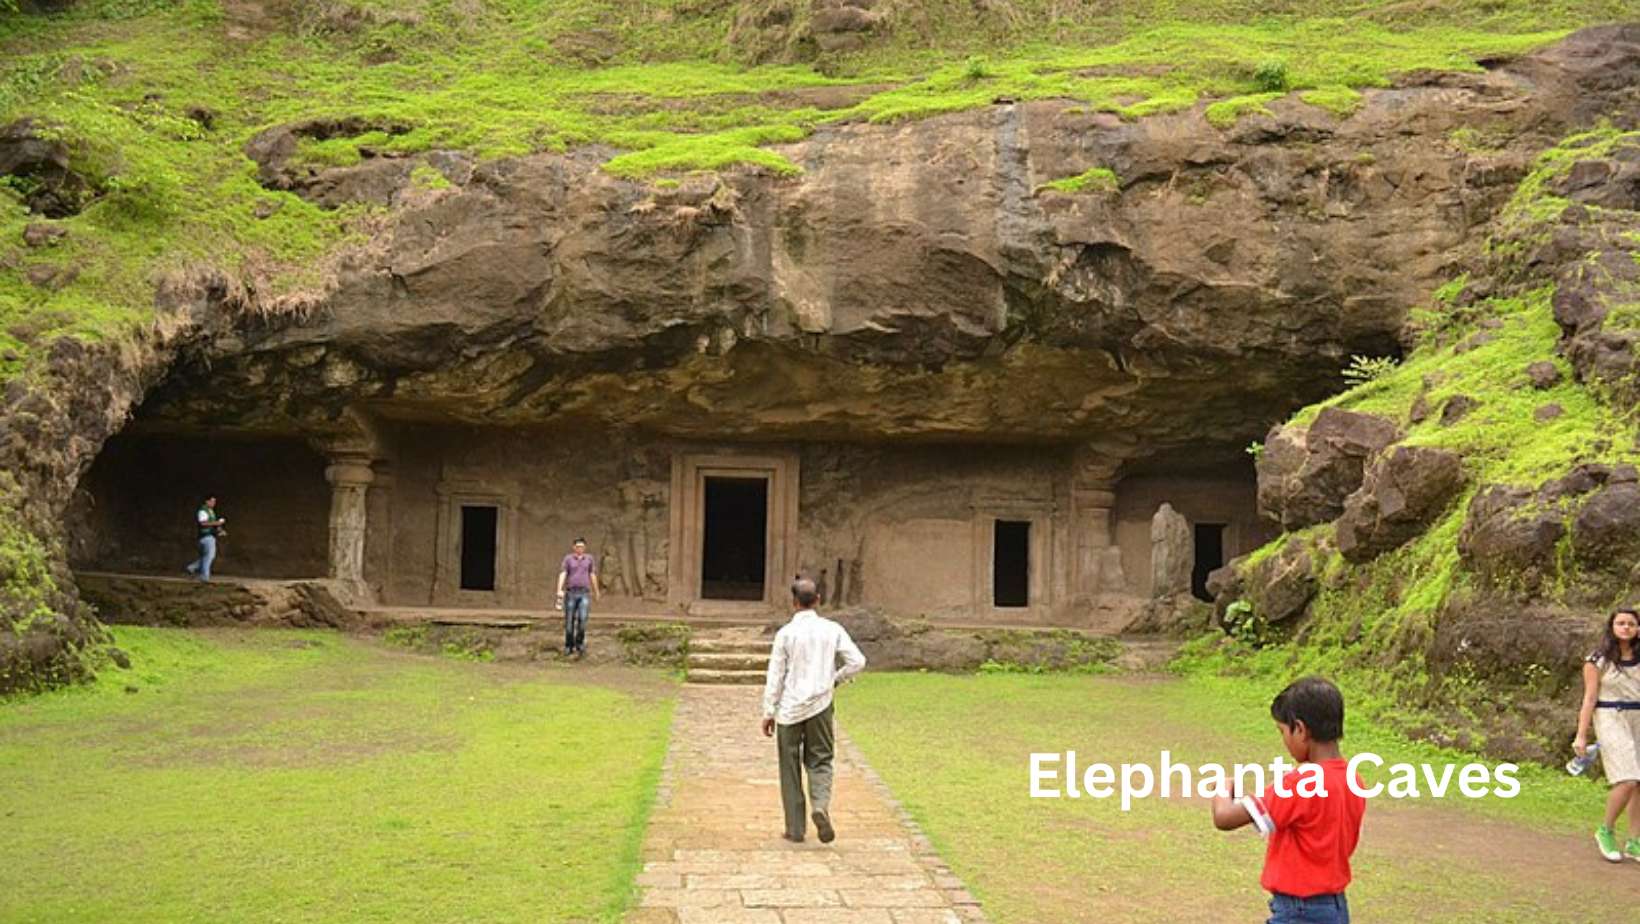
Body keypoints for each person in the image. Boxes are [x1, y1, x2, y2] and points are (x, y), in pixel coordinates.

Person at [1212, 676, 1366, 924]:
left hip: (1299, 911)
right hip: (1334, 908)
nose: (1283, 740)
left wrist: (1223, 785)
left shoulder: (1301, 783)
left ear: (1301, 729)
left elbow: (1224, 818)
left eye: (1282, 731)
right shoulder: (1353, 779)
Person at [760, 577, 866, 844]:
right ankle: (820, 805)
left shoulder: (785, 634)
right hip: (820, 705)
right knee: (820, 760)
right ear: (818, 599)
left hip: (789, 710)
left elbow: (776, 674)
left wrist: (768, 710)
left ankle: (795, 829)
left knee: (789, 766)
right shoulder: (833, 629)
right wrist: (835, 678)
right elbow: (858, 661)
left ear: (794, 602)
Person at [1574, 607, 1640, 862]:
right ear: (1611, 627)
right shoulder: (1597, 660)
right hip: (1611, 715)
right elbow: (1589, 698)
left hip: (1637, 716)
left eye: (1631, 624)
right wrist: (1582, 735)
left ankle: (1634, 840)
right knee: (1626, 780)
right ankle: (1606, 829)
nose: (1626, 628)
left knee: (1639, 783)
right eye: (1621, 623)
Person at [555, 538, 600, 661]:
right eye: (577, 546)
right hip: (571, 592)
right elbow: (563, 573)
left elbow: (592, 574)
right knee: (569, 621)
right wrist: (559, 589)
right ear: (574, 548)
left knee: (583, 619)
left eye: (582, 547)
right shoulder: (568, 559)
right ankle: (569, 646)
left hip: (584, 593)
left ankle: (579, 644)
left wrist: (596, 591)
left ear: (585, 548)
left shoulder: (589, 559)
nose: (580, 549)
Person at [184, 494, 226, 583]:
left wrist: (220, 530)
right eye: (212, 501)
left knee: (207, 556)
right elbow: (203, 523)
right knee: (209, 556)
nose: (214, 503)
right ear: (207, 501)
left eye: (215, 501)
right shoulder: (203, 511)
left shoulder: (210, 511)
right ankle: (204, 578)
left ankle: (192, 567)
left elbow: (213, 524)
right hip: (206, 537)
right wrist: (217, 523)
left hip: (210, 536)